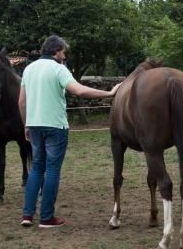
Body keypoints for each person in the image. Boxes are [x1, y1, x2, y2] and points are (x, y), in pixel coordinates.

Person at [19, 35, 118, 228]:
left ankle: (27, 215)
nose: (64, 56)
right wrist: (109, 93)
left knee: (36, 168)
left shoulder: (28, 69)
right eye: (63, 52)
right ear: (56, 51)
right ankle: (47, 217)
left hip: (35, 125)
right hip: (55, 126)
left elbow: (21, 102)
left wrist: (26, 124)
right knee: (52, 170)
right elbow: (79, 91)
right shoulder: (59, 69)